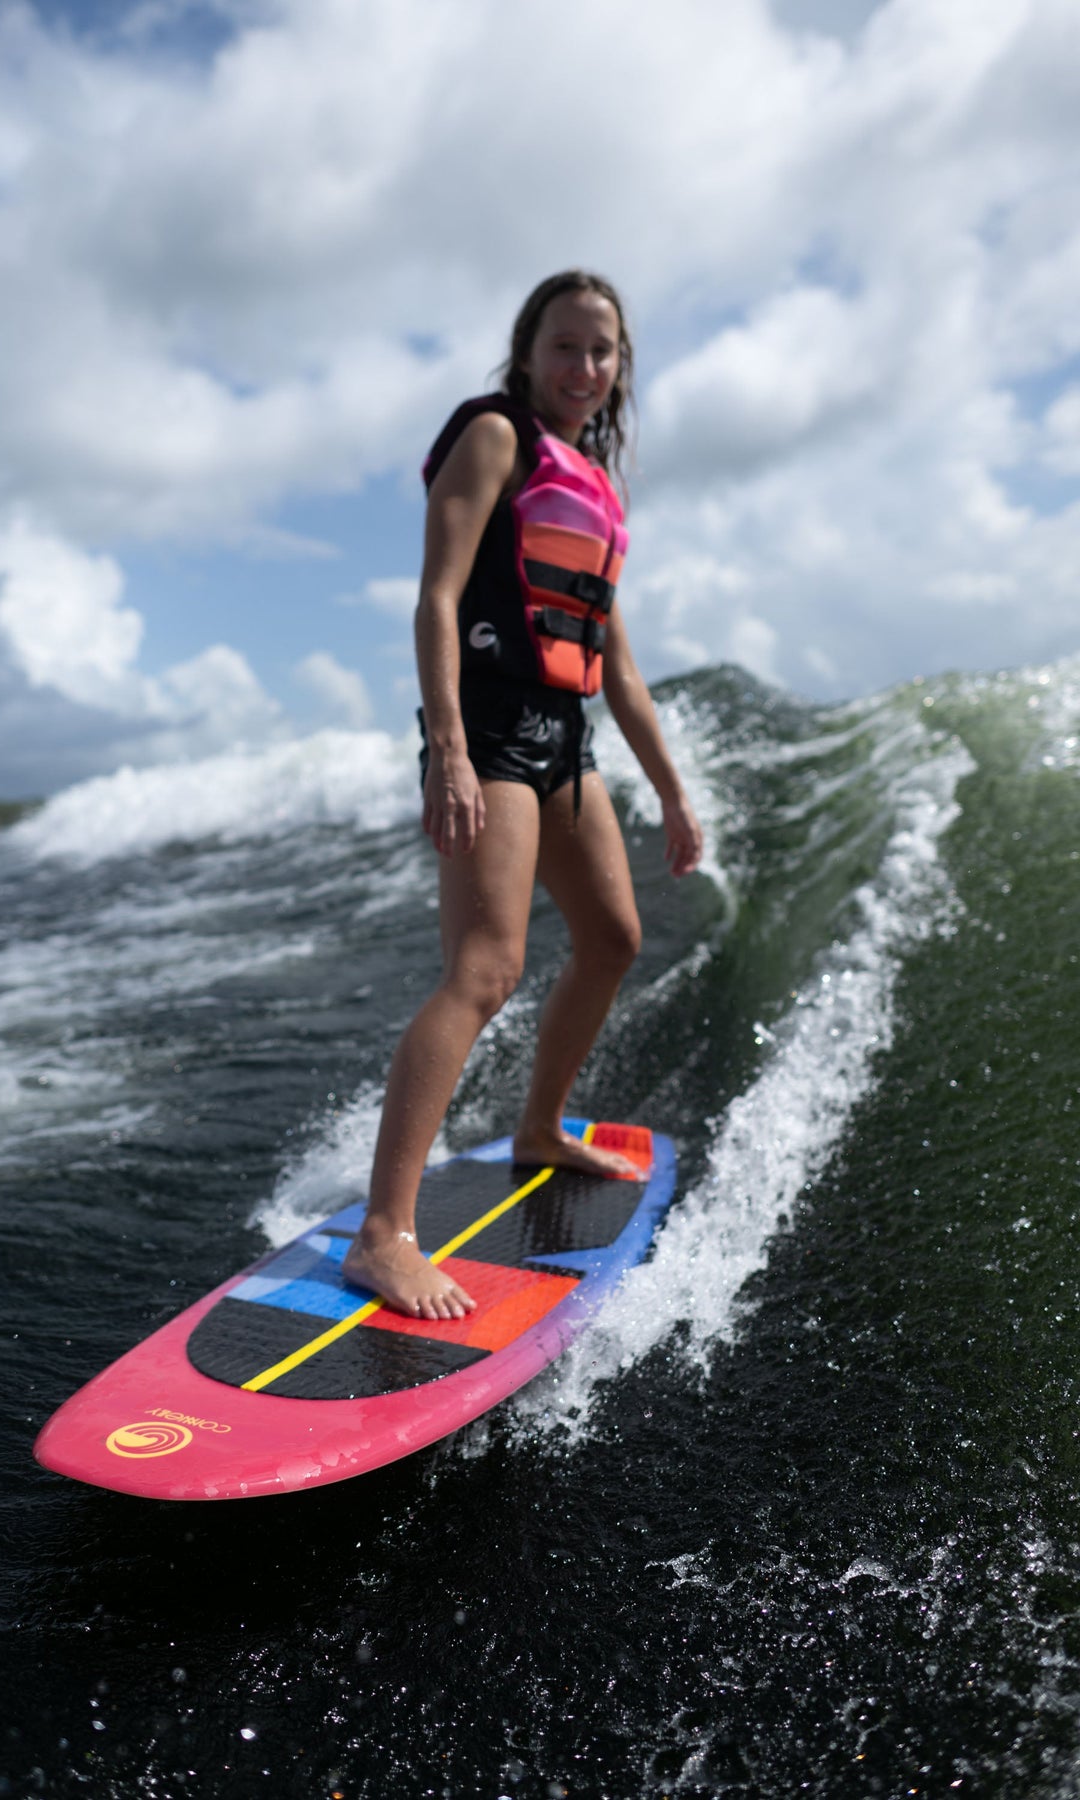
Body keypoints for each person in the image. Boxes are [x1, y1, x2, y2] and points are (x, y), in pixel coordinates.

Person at [343, 271, 703, 1321]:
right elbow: (437, 598)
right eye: (566, 346)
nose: (584, 367)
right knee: (486, 969)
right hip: (491, 730)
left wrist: (674, 793)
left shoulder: (595, 484)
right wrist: (450, 750)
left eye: (602, 350)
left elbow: (617, 666)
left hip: (563, 742)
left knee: (614, 937)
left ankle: (542, 1128)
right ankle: (383, 1235)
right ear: (528, 350)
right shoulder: (495, 437)